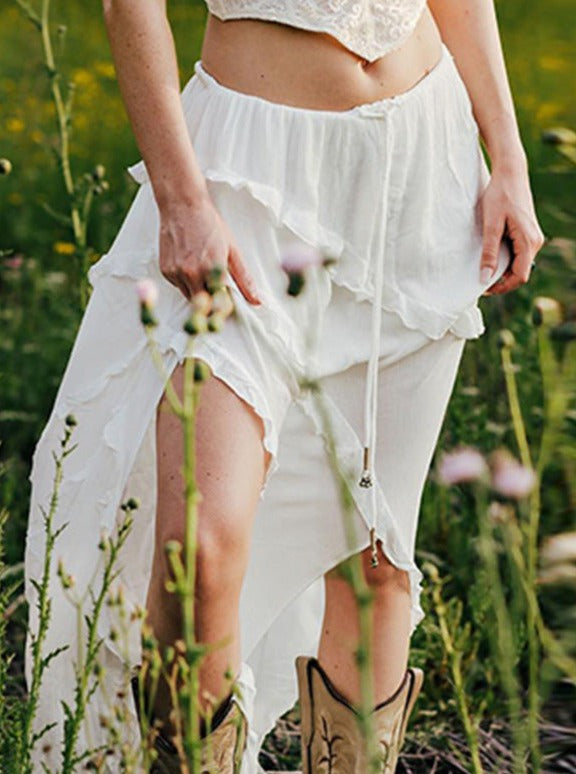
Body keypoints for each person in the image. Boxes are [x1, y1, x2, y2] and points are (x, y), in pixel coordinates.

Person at [24, 0, 545, 772]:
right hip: (246, 180)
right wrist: (180, 200)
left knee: (375, 553)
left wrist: (508, 157)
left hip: (422, 175)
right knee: (195, 550)